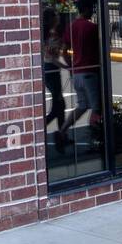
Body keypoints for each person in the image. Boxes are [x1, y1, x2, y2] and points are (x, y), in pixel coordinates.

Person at [64, 0, 102, 148]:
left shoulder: (71, 26)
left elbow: (64, 50)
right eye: (91, 9)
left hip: (77, 73)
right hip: (90, 73)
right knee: (97, 108)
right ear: (85, 9)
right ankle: (95, 139)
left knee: (82, 106)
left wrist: (71, 67)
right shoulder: (92, 28)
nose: (92, 12)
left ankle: (62, 130)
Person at [41, 8, 70, 152]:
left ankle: (62, 135)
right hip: (51, 71)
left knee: (60, 104)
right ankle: (57, 134)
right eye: (56, 15)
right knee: (58, 105)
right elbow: (51, 58)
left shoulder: (49, 34)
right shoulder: (52, 36)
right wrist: (66, 66)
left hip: (51, 71)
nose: (59, 17)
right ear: (52, 19)